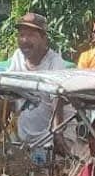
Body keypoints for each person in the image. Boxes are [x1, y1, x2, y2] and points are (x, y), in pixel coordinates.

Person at [6, 13, 70, 150]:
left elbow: (56, 99)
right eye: (21, 35)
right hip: (23, 138)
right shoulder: (17, 57)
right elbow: (7, 92)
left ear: (44, 39)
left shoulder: (55, 63)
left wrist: (58, 134)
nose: (24, 40)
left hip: (48, 138)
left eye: (31, 35)